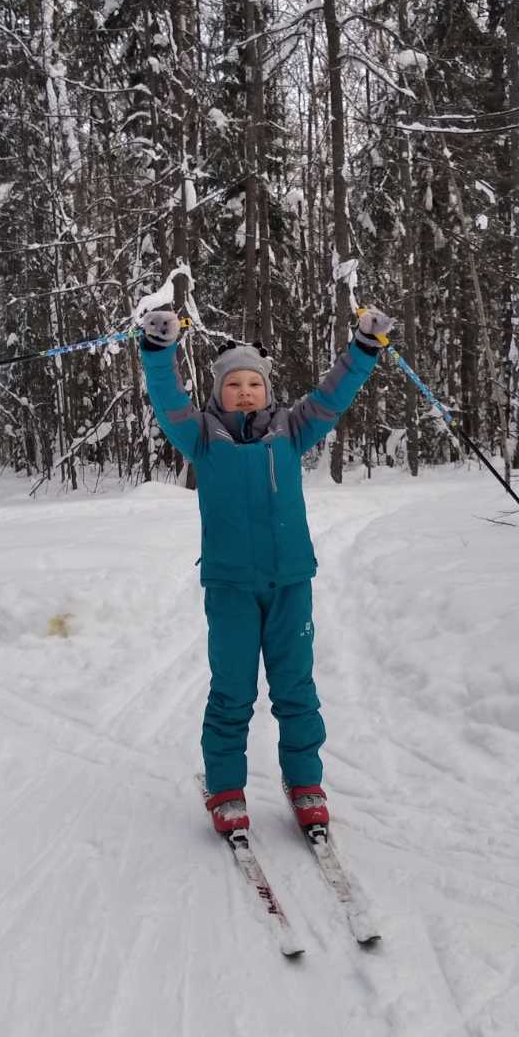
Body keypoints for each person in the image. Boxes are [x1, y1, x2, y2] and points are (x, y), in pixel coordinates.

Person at [138, 308, 393, 835]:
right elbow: (167, 402)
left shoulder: (290, 431)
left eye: (255, 382)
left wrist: (364, 349)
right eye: (235, 384)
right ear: (218, 393)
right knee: (232, 691)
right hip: (230, 586)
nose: (247, 391)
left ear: (268, 390)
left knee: (295, 688)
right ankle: (227, 789)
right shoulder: (202, 437)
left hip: (290, 582)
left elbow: (330, 397)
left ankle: (305, 783)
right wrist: (159, 351)